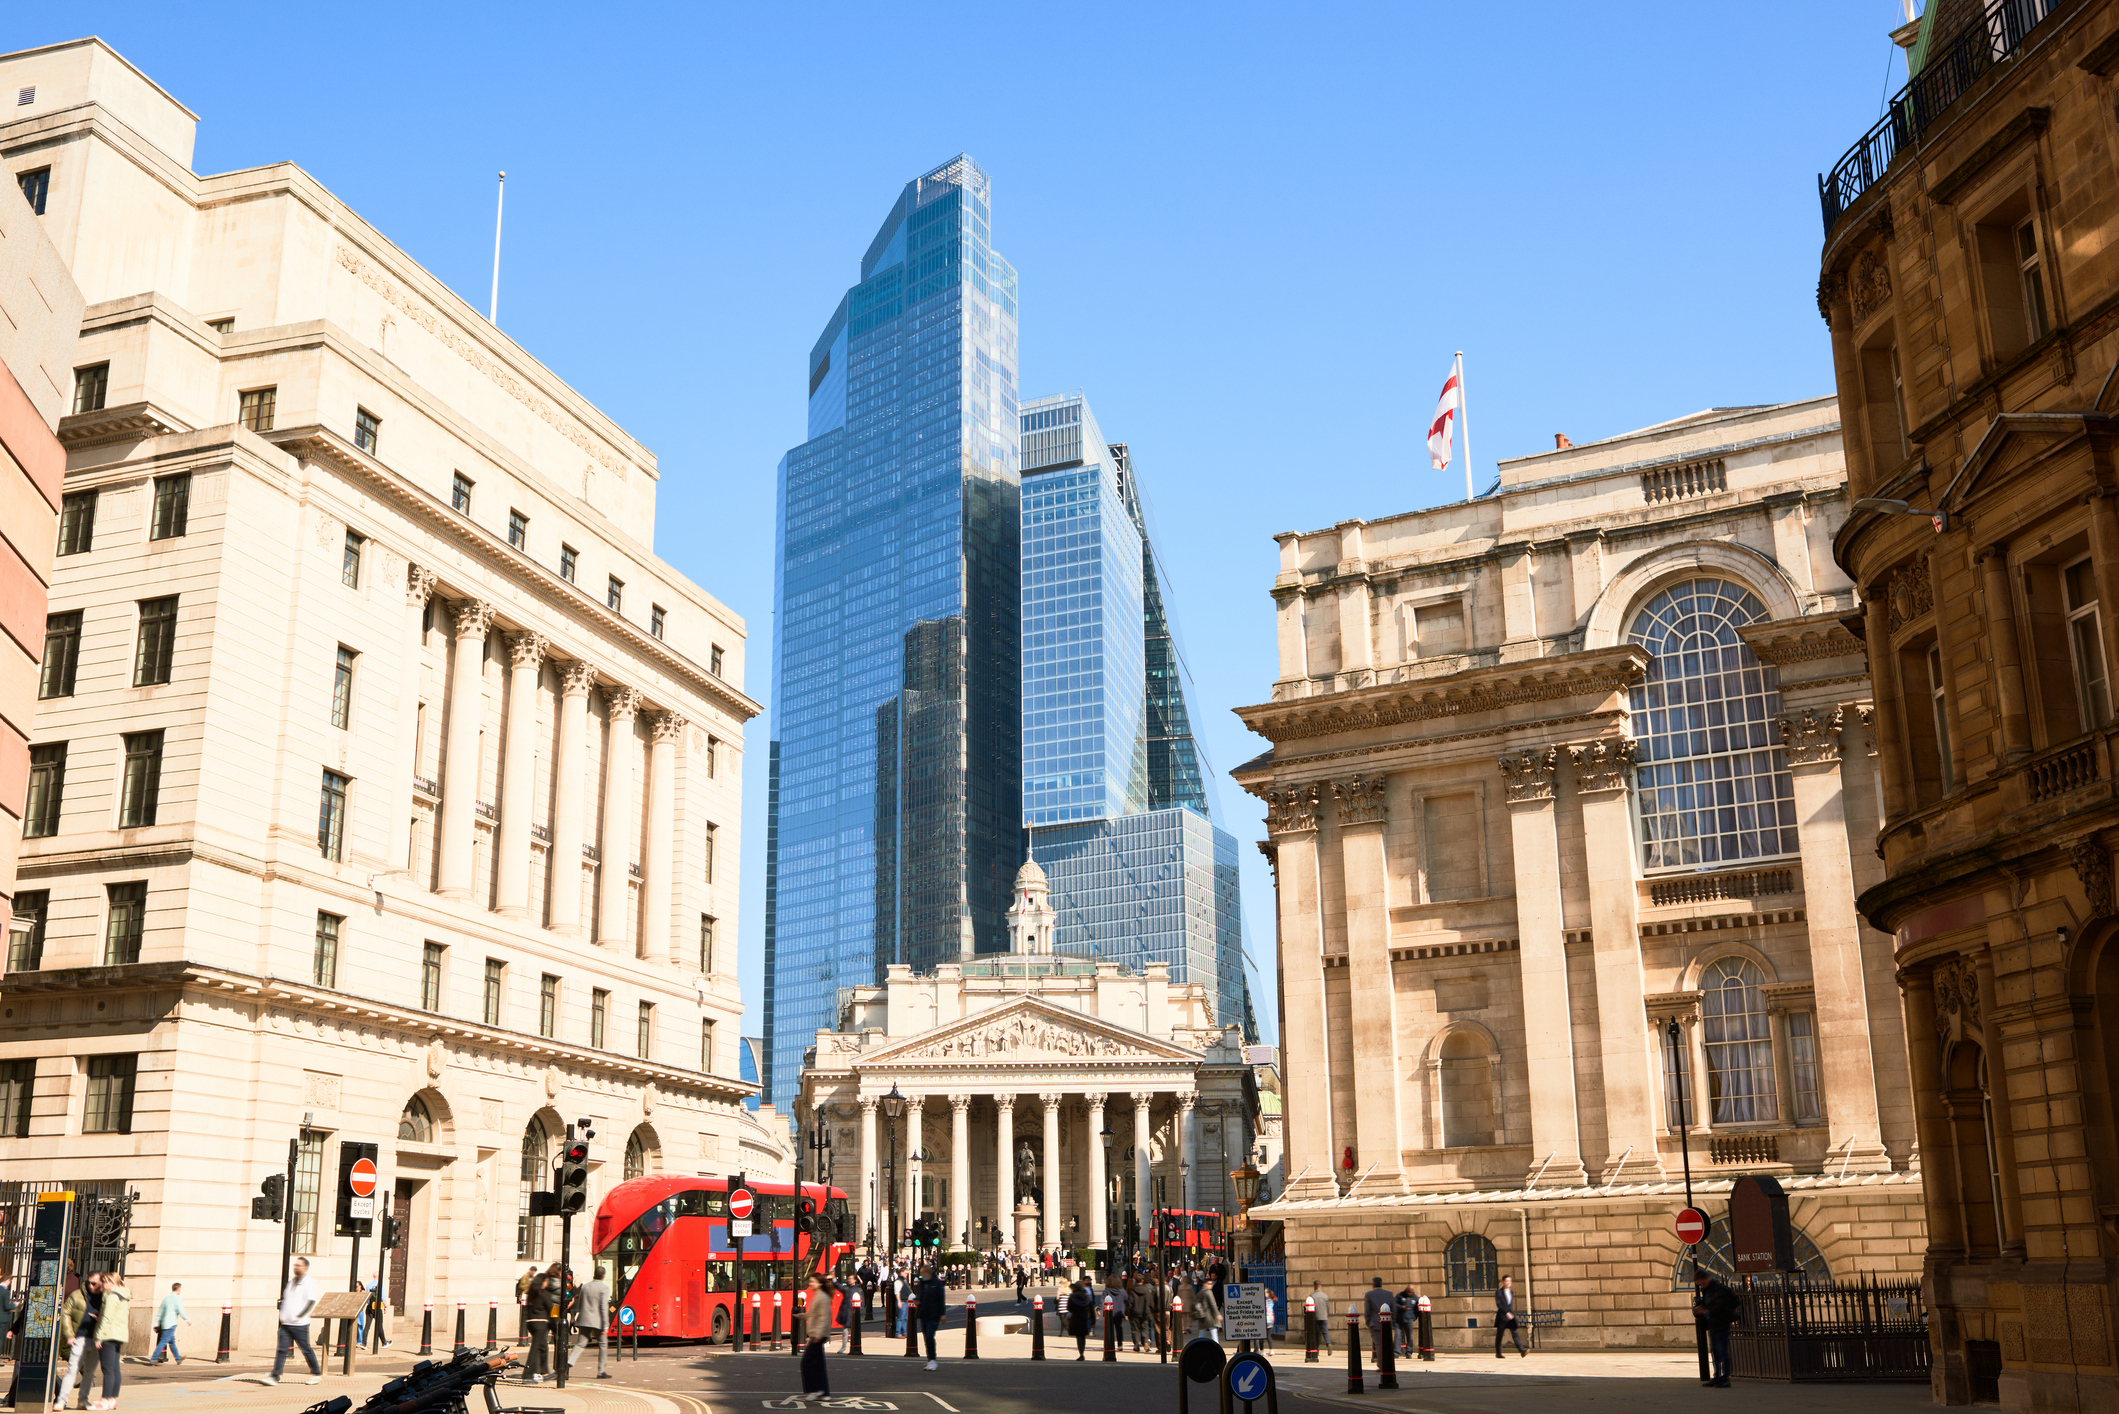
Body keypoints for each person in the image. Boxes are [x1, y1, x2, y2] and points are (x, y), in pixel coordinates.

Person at [265, 1258, 322, 1386]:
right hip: (286, 1323)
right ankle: (275, 1376)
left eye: (299, 1265)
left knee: (306, 1349)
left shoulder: (309, 1283)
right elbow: (286, 1300)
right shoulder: (291, 1282)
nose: (296, 1267)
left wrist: (299, 1316)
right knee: (281, 1350)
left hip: (300, 1324)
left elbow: (310, 1301)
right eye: (295, 1265)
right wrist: (283, 1316)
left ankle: (316, 1373)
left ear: (305, 1268)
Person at [54, 1274, 102, 1410]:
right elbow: (65, 1313)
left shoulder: (106, 1297)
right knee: (72, 1369)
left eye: (95, 1283)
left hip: (97, 1339)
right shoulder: (77, 1295)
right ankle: (61, 1400)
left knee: (89, 1372)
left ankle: (83, 1401)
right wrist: (69, 1334)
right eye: (90, 1283)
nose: (91, 1286)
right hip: (80, 1337)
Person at [84, 1273, 128, 1410]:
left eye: (104, 1282)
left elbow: (106, 1318)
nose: (101, 1285)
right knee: (115, 1368)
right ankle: (112, 1399)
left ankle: (105, 1399)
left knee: (107, 1369)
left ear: (111, 1283)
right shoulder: (123, 1296)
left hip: (108, 1335)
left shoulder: (112, 1297)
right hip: (119, 1335)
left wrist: (99, 1337)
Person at [1692, 1270, 1741, 1388]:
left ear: (1706, 1279)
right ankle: (1717, 1376)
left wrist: (1706, 1310)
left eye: (1702, 1283)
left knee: (1722, 1351)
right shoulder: (1708, 1290)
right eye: (1700, 1285)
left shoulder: (1718, 1289)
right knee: (1714, 1351)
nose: (1702, 1286)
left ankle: (1725, 1378)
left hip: (1721, 1323)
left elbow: (1721, 1306)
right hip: (1713, 1323)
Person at [797, 1275, 835, 1403]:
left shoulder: (822, 1297)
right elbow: (815, 1315)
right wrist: (804, 1316)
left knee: (806, 1362)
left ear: (819, 1283)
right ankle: (824, 1392)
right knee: (818, 1364)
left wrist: (818, 1335)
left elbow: (824, 1318)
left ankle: (814, 1390)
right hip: (817, 1334)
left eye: (812, 1281)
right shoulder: (818, 1295)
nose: (810, 1283)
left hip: (818, 1335)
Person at [569, 1265, 610, 1379]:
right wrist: (605, 1325)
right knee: (603, 1344)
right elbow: (603, 1307)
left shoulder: (585, 1287)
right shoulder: (604, 1288)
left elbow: (581, 1303)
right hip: (597, 1321)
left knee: (580, 1344)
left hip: (584, 1319)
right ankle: (601, 1371)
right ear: (603, 1275)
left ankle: (569, 1362)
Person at [522, 1267, 552, 1383]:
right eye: (546, 1281)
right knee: (535, 1348)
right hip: (541, 1324)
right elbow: (551, 1309)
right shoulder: (544, 1294)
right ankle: (528, 1374)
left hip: (531, 1323)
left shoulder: (532, 1293)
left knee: (543, 1346)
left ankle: (545, 1372)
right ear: (543, 1282)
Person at [915, 1267, 946, 1372]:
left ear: (927, 1273)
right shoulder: (921, 1284)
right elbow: (918, 1296)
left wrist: (942, 1314)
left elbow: (941, 1299)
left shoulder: (936, 1283)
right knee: (926, 1337)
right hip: (924, 1314)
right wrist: (917, 1301)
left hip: (934, 1314)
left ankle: (933, 1359)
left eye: (922, 1273)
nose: (920, 1275)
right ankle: (930, 1359)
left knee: (929, 1335)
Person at [149, 1283, 189, 1365]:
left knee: (171, 1341)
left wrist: (156, 1323)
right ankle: (153, 1359)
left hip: (164, 1323)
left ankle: (178, 1358)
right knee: (163, 1341)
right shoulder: (177, 1298)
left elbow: (160, 1312)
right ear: (178, 1289)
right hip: (171, 1323)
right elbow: (181, 1310)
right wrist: (187, 1320)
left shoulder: (166, 1298)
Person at [1494, 1275, 1527, 1359]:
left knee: (1515, 1334)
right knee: (1499, 1335)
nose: (1508, 1283)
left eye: (1510, 1281)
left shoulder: (1511, 1292)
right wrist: (1506, 1313)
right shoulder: (1499, 1292)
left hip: (1511, 1317)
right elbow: (1499, 1305)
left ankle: (1522, 1351)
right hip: (1502, 1317)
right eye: (1507, 1281)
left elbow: (1510, 1305)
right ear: (1503, 1282)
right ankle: (1498, 1353)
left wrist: (1511, 1314)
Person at [1064, 1278, 1093, 1361]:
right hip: (1085, 1318)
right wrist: (1093, 1320)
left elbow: (1069, 1308)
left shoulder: (1073, 1296)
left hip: (1076, 1318)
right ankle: (1082, 1351)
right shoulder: (1087, 1296)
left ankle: (1081, 1353)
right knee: (1083, 1336)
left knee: (1078, 1337)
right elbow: (1091, 1309)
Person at [1189, 1276, 1222, 1345]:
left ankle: (1199, 1346)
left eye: (1211, 1283)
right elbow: (1212, 1304)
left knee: (1202, 1334)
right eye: (1209, 1284)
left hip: (1202, 1316)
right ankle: (1217, 1347)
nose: (1211, 1285)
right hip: (1210, 1316)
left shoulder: (1200, 1292)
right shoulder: (1208, 1292)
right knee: (1214, 1333)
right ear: (1205, 1284)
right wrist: (1217, 1314)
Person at [1308, 1280, 1332, 1353]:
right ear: (1320, 1286)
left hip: (1315, 1318)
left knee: (1316, 1334)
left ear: (1314, 1286)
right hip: (1324, 1317)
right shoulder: (1325, 1296)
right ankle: (1328, 1343)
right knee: (1325, 1332)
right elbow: (1328, 1308)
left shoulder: (1312, 1296)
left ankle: (1317, 1350)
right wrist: (1326, 1315)